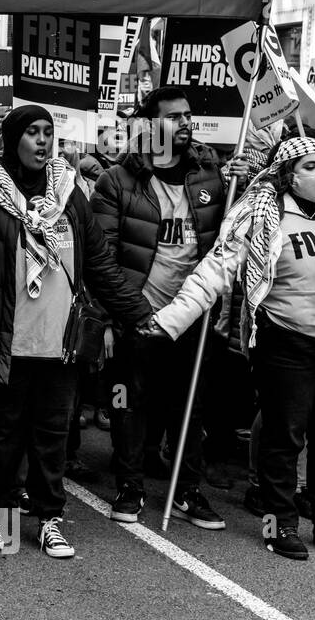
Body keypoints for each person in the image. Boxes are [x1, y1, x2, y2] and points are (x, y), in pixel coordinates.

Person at [0, 105, 152, 558]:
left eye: (48, 133)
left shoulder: (69, 194)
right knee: (1, 433)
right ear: (13, 139)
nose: (42, 141)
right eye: (33, 133)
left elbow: (98, 262)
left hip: (60, 342)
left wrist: (138, 312)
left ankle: (49, 519)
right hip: (5, 338)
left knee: (52, 434)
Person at [147, 137, 315, 560]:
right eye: (313, 166)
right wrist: (170, 320)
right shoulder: (263, 216)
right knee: (285, 435)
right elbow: (214, 272)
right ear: (288, 175)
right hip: (285, 341)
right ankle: (278, 525)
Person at [92, 86, 247, 528]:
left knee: (189, 404)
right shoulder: (117, 180)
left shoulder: (211, 173)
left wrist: (245, 182)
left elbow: (232, 237)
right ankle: (130, 486)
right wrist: (113, 316)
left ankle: (187, 490)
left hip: (192, 314)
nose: (183, 123)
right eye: (172, 117)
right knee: (128, 401)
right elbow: (101, 255)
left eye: (186, 116)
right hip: (136, 312)